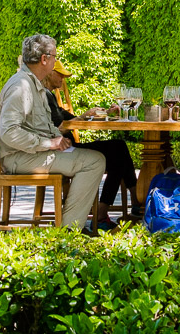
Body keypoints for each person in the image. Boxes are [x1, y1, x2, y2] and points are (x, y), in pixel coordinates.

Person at [0, 34, 106, 231]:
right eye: (54, 56)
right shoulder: (21, 86)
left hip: (29, 154)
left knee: (94, 157)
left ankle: (70, 225)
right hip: (18, 157)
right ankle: (68, 231)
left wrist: (58, 138)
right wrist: (49, 144)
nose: (56, 61)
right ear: (44, 59)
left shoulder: (32, 84)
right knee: (94, 161)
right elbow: (9, 132)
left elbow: (38, 125)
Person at [43, 58, 134, 228]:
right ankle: (117, 209)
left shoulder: (49, 96)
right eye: (60, 75)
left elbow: (70, 118)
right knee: (118, 149)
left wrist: (104, 113)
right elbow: (62, 126)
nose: (63, 79)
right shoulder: (44, 95)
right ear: (50, 73)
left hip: (66, 146)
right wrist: (84, 117)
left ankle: (130, 205)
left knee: (118, 149)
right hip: (62, 148)